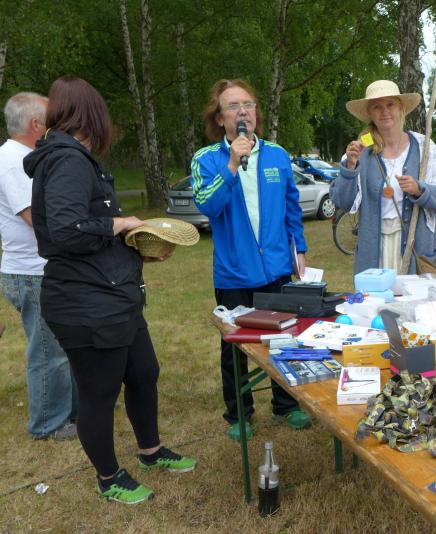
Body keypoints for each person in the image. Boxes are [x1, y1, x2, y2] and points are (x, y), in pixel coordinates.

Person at [23, 76, 196, 504]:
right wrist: (121, 223)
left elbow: (87, 228)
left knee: (143, 372)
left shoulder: (73, 157)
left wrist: (134, 245)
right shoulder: (67, 159)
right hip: (85, 302)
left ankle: (151, 452)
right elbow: (66, 230)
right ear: (91, 114)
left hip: (113, 295)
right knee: (99, 393)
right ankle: (109, 477)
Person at [191, 79, 311, 435]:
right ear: (220, 118)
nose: (243, 111)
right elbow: (207, 205)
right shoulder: (206, 159)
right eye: (233, 106)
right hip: (234, 273)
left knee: (283, 338)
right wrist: (231, 165)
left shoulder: (277, 154)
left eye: (248, 104)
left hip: (277, 267)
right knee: (235, 348)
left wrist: (299, 249)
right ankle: (239, 413)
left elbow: (292, 207)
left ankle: (286, 404)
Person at [1, 92, 78, 440]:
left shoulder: (24, 156)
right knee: (48, 350)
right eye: (52, 118)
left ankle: (71, 411)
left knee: (62, 344)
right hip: (30, 272)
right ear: (36, 124)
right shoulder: (13, 161)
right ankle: (49, 423)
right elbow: (36, 217)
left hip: (39, 268)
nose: (57, 125)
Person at [331, 80, 436, 275]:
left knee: (412, 294)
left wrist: (420, 190)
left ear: (401, 109)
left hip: (416, 250)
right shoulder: (361, 150)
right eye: (377, 107)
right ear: (370, 113)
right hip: (373, 252)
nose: (384, 111)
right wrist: (350, 168)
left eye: (390, 104)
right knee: (377, 295)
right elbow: (342, 202)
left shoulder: (424, 147)